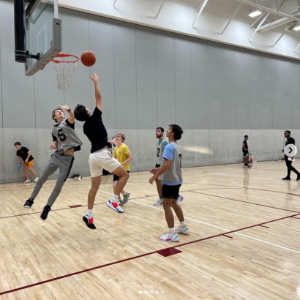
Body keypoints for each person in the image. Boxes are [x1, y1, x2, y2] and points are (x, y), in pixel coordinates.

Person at [74, 73, 129, 230]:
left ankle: (89, 214)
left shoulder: (85, 127)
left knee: (94, 187)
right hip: (102, 155)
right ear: (88, 112)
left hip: (93, 157)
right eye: (86, 107)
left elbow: (97, 139)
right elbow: (99, 97)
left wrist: (106, 142)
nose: (89, 107)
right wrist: (95, 82)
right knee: (125, 175)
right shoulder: (95, 118)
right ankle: (113, 199)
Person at [23, 105, 83, 222]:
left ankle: (47, 207)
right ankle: (30, 200)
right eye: (57, 111)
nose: (60, 112)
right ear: (54, 117)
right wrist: (54, 145)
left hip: (67, 159)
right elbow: (56, 141)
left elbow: (72, 117)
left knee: (58, 185)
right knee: (42, 179)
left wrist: (68, 110)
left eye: (61, 111)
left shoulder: (68, 122)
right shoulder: (54, 129)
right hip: (56, 156)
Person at [149, 124, 189, 242]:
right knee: (174, 203)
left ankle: (172, 234)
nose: (167, 130)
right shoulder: (177, 146)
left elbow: (167, 165)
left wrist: (155, 176)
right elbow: (170, 164)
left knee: (166, 205)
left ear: (172, 133)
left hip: (170, 181)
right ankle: (182, 226)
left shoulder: (169, 147)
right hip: (177, 179)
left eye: (169, 129)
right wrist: (158, 169)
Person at [152, 127, 183, 206]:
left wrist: (162, 166)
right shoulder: (158, 142)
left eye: (158, 131)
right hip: (158, 163)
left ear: (162, 133)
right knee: (158, 182)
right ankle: (164, 197)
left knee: (162, 182)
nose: (156, 132)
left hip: (163, 164)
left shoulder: (165, 142)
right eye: (156, 131)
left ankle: (167, 197)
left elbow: (168, 155)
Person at [113, 133, 133, 205]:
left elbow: (131, 157)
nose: (117, 138)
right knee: (114, 186)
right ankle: (119, 199)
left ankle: (125, 194)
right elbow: (114, 158)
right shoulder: (115, 148)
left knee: (117, 185)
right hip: (117, 169)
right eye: (117, 136)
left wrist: (121, 164)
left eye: (119, 137)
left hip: (124, 169)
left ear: (122, 139)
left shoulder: (124, 147)